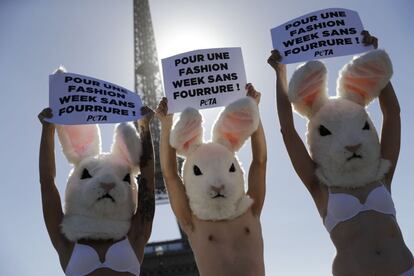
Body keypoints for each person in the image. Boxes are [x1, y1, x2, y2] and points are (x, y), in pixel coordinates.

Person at [268, 31, 413, 275]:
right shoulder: (320, 187)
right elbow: (287, 130)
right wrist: (280, 73)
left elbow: (392, 115)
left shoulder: (382, 174)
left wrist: (371, 56)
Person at [156, 84, 267, 276]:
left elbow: (260, 162)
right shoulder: (192, 221)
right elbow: (171, 176)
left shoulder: (251, 209)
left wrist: (254, 110)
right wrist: (166, 125)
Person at [38, 105, 155, 276]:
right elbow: (47, 182)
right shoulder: (134, 237)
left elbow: (148, 182)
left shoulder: (68, 244)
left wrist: (145, 126)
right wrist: (47, 129)